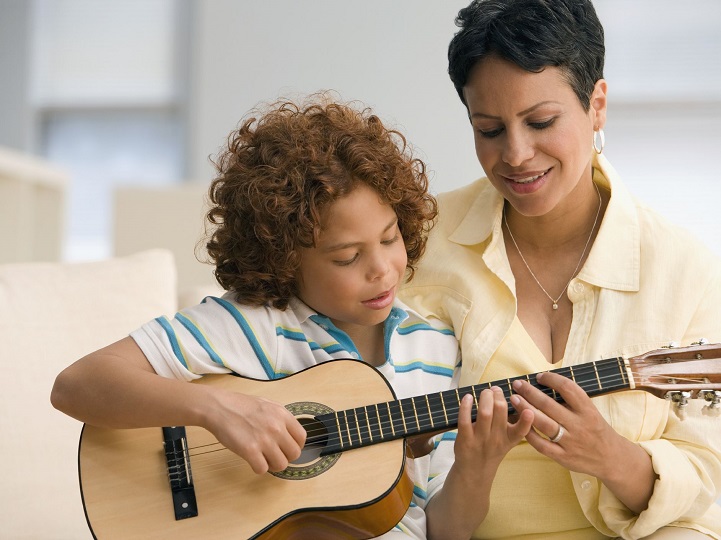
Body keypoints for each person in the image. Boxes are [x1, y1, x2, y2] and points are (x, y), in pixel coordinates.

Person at [50, 94, 462, 539]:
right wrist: (219, 410)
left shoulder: (435, 348)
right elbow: (76, 385)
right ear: (285, 259)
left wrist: (479, 464)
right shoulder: (253, 326)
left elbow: (442, 530)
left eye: (389, 238)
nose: (381, 269)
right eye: (346, 257)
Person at [398, 1, 721, 539]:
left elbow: (709, 472)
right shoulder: (417, 243)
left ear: (596, 105)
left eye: (541, 121)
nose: (517, 155)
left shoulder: (684, 267)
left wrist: (611, 456)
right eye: (489, 129)